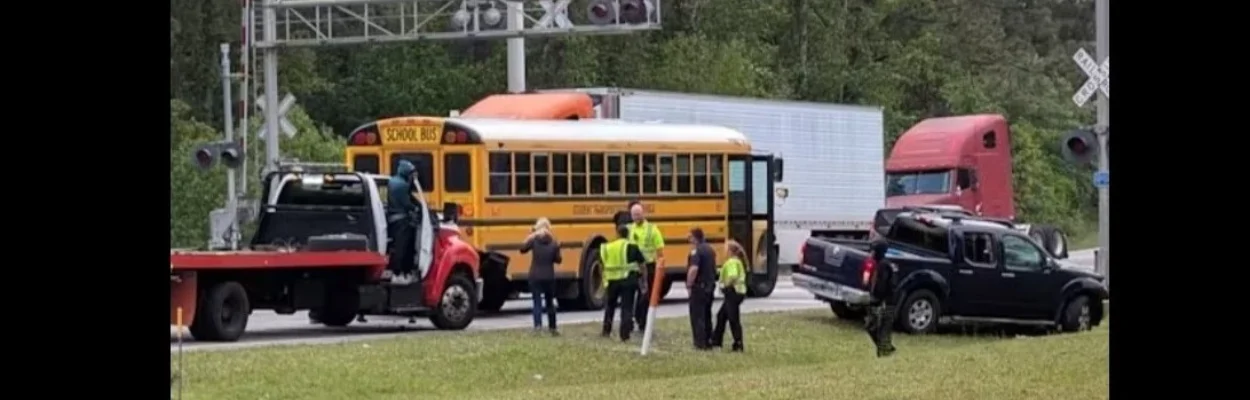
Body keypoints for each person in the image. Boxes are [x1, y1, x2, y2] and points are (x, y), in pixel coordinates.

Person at [600, 224, 646, 342]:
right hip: (628, 281)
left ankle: (606, 330)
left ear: (617, 233)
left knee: (610, 306)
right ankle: (624, 335)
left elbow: (602, 264)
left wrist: (604, 278)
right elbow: (642, 264)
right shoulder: (633, 247)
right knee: (627, 307)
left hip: (612, 281)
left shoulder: (608, 247)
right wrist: (644, 279)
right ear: (628, 234)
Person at [520, 218, 562, 336]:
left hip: (535, 276)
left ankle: (538, 327)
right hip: (549, 276)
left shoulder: (534, 241)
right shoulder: (554, 242)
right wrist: (558, 249)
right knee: (550, 303)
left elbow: (522, 249)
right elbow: (558, 260)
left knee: (537, 302)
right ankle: (553, 327)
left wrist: (531, 235)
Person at [627, 201, 665, 332]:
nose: (636, 217)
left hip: (648, 267)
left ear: (643, 213)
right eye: (634, 215)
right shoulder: (629, 229)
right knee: (630, 296)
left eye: (638, 214)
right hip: (632, 267)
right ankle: (631, 321)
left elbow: (660, 250)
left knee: (645, 296)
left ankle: (642, 321)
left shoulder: (652, 229)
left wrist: (660, 268)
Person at [864, 240, 899, 357]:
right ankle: (886, 349)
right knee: (874, 326)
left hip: (885, 302)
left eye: (874, 250)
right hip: (885, 300)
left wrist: (877, 301)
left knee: (879, 326)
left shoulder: (883, 265)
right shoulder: (883, 264)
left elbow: (882, 286)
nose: (872, 253)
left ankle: (885, 351)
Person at [386, 160, 419, 284]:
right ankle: (399, 273)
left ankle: (397, 272)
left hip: (392, 218)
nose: (412, 176)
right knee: (403, 247)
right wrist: (416, 208)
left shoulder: (392, 181)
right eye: (411, 173)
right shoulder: (403, 185)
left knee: (396, 246)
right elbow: (406, 203)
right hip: (402, 220)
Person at [685, 227, 718, 350]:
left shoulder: (696, 252)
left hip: (699, 287)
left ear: (695, 238)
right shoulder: (710, 249)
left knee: (697, 316)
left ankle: (700, 343)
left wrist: (689, 284)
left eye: (690, 237)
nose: (689, 240)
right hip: (709, 287)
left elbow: (693, 269)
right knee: (707, 314)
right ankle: (708, 340)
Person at [711, 240, 747, 352]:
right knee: (721, 316)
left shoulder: (732, 262)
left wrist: (725, 286)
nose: (724, 251)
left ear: (730, 251)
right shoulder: (736, 261)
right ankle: (716, 341)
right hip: (737, 292)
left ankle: (738, 343)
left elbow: (732, 276)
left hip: (733, 292)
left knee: (733, 318)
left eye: (726, 249)